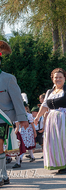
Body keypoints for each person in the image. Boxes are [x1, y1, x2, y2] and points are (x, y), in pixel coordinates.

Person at [0, 41, 29, 186]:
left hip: (3, 119)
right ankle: (4, 175)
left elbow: (17, 101)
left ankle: (0, 177)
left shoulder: (8, 78)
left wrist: (22, 119)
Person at [12, 102, 37, 168]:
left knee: (26, 144)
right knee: (24, 144)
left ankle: (20, 158)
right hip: (22, 130)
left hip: (28, 130)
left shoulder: (29, 115)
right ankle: (31, 156)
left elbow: (32, 124)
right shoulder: (18, 115)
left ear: (26, 108)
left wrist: (34, 132)